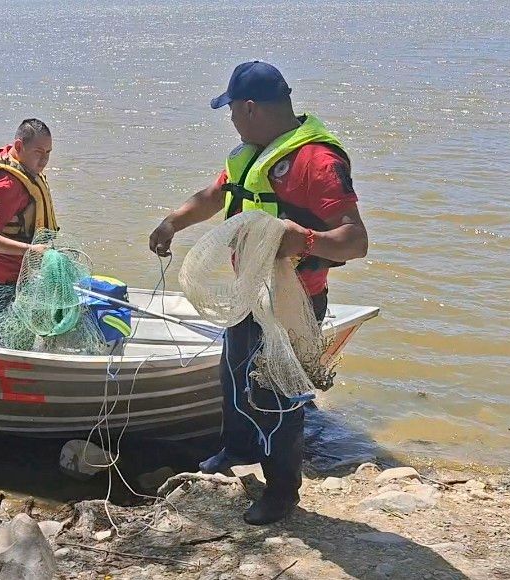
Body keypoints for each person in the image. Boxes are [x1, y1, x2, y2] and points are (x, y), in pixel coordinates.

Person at [149, 61, 369, 525]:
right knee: (233, 375)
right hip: (248, 293)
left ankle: (282, 492)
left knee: (276, 395)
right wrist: (172, 223)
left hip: (292, 304)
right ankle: (238, 449)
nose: (230, 118)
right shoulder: (251, 154)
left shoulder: (317, 162)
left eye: (231, 109)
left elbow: (355, 240)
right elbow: (214, 197)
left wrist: (304, 240)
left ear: (250, 108)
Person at [0, 119, 59, 345]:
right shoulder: (5, 185)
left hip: (16, 273)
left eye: (48, 153)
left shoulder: (25, 169)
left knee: (0, 324)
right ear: (18, 146)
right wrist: (30, 250)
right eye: (38, 152)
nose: (44, 160)